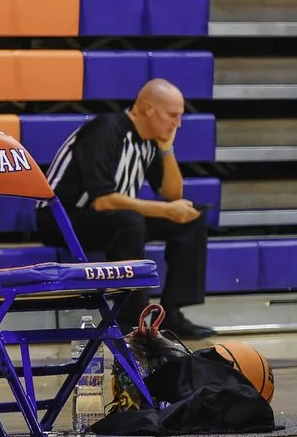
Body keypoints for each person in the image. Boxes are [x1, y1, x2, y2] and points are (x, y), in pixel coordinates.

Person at [46, 78, 210, 338]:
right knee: (130, 221)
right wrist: (166, 210)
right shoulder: (107, 129)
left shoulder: (149, 141)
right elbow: (103, 200)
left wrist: (167, 149)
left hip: (111, 218)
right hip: (63, 219)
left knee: (191, 218)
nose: (178, 123)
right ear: (146, 108)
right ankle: (131, 319)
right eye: (173, 115)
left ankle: (172, 313)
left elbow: (172, 193)